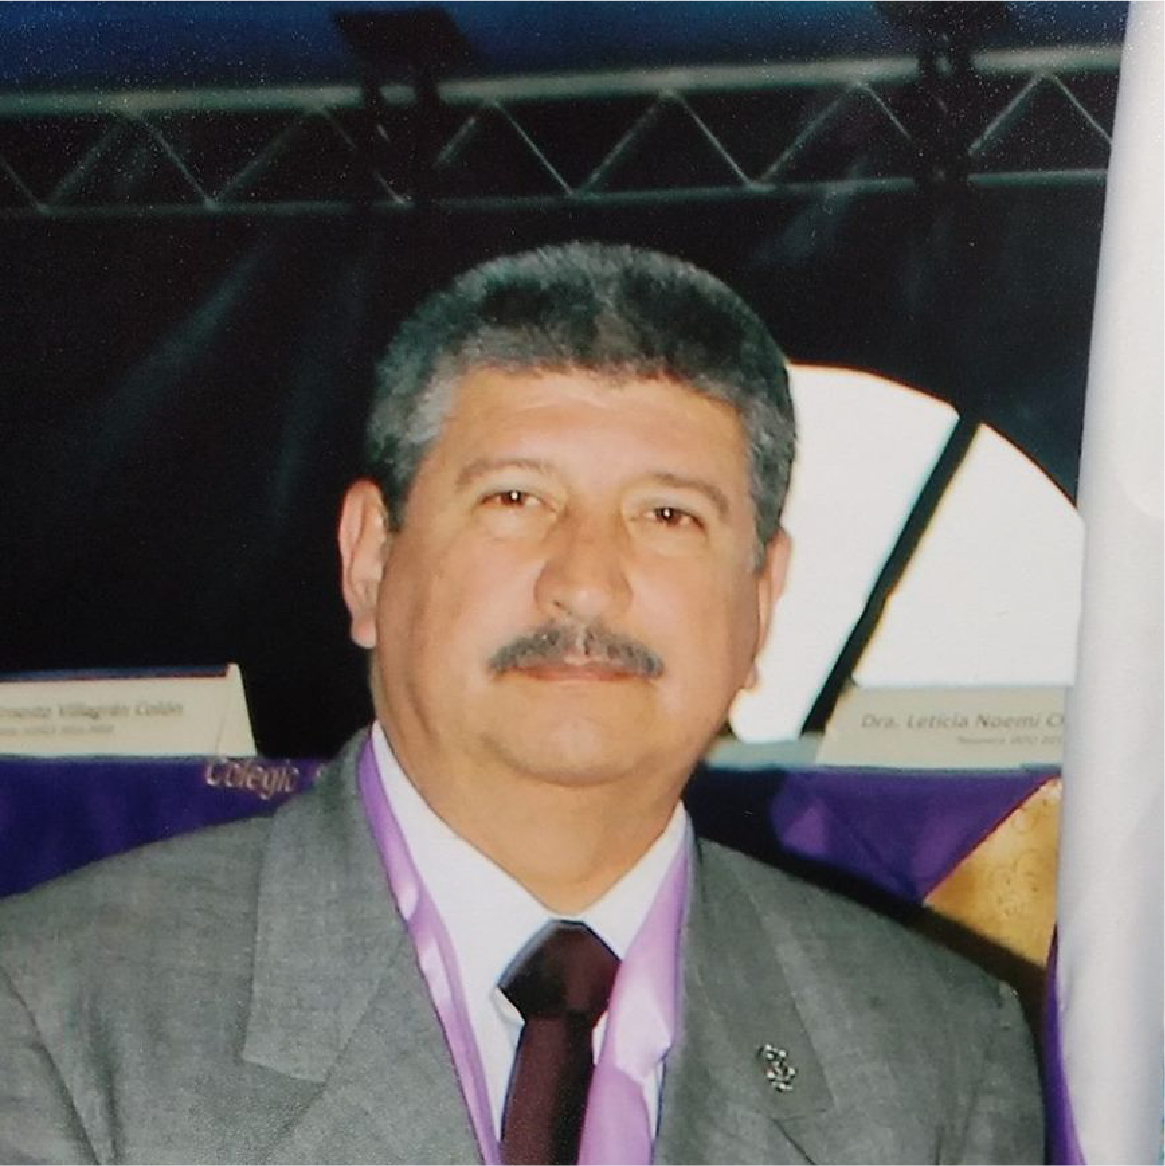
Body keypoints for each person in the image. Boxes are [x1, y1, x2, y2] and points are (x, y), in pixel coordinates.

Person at [0, 242, 1041, 1164]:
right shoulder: (60, 1010)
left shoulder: (938, 1056)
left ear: (760, 601)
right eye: (515, 499)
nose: (586, 583)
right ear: (370, 559)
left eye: (668, 515)